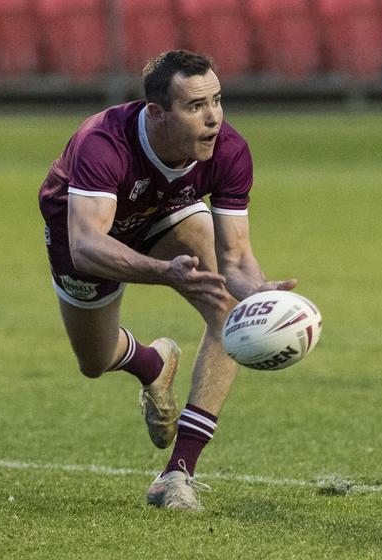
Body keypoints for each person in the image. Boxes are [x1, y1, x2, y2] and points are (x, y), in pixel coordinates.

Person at [38, 50, 295, 510]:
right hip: (83, 231)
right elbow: (87, 245)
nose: (214, 117)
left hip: (166, 213)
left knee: (227, 311)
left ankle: (177, 475)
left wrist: (259, 297)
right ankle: (151, 365)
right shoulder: (104, 141)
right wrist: (163, 272)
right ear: (157, 113)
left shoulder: (229, 150)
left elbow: (235, 260)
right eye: (196, 107)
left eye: (217, 101)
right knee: (94, 361)